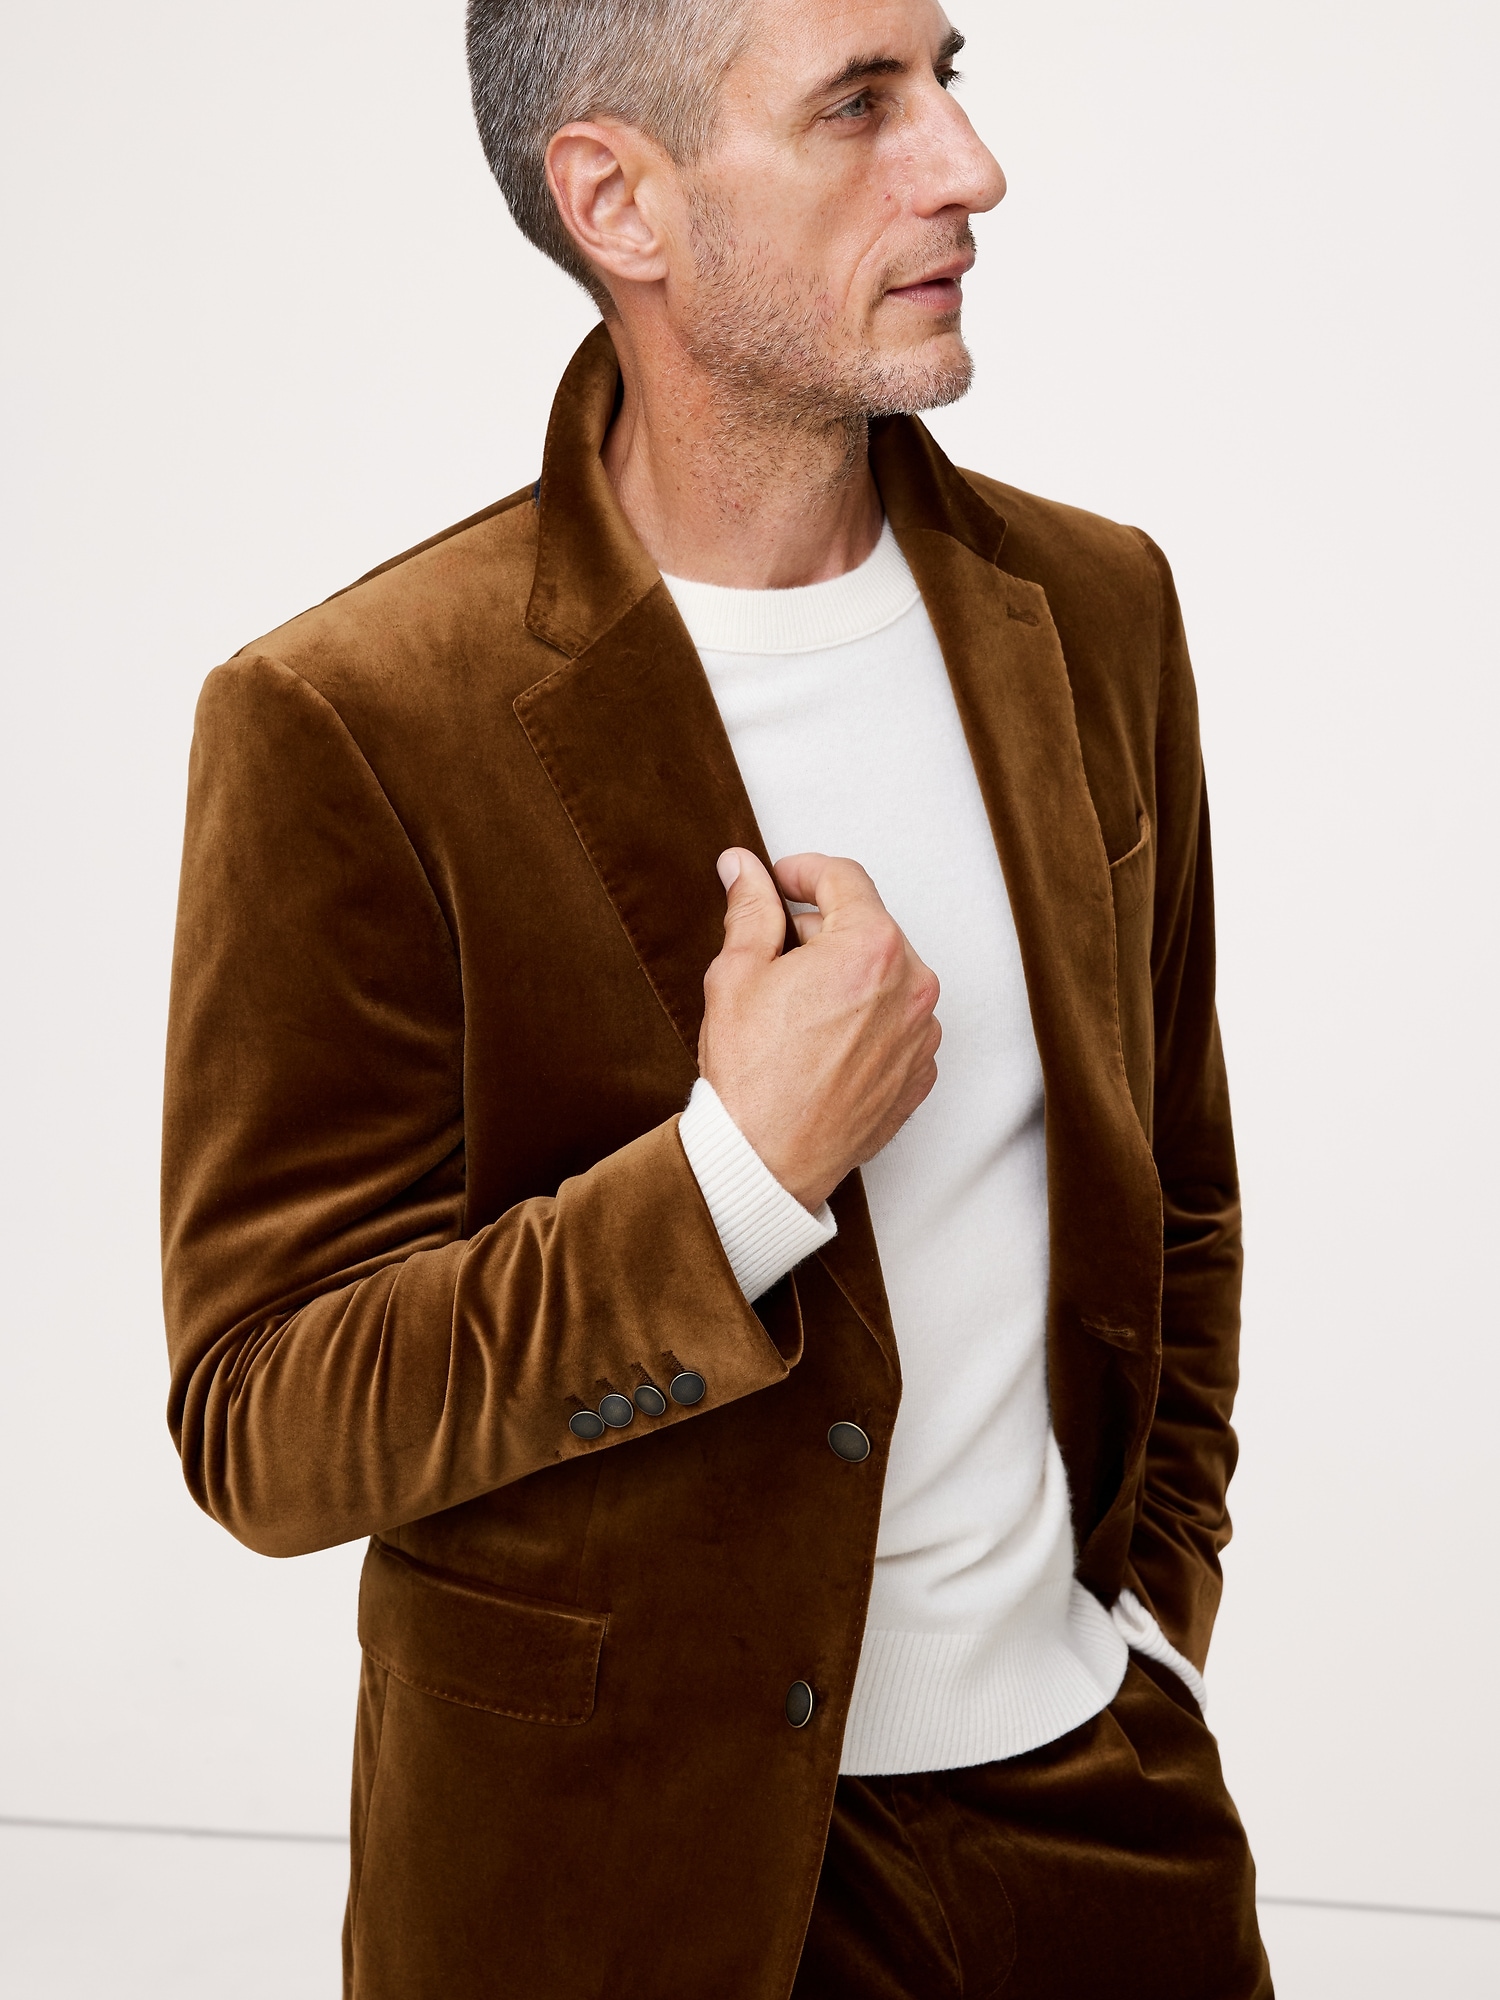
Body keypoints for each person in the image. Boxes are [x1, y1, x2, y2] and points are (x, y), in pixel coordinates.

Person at [161, 0, 1269, 1993]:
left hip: (1100, 1832)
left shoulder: (1099, 611)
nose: (967, 167)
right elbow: (265, 1414)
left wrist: (1147, 1628)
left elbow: (1176, 1183)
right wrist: (736, 1180)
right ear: (622, 201)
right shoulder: (352, 718)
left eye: (947, 79)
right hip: (611, 1891)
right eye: (859, 105)